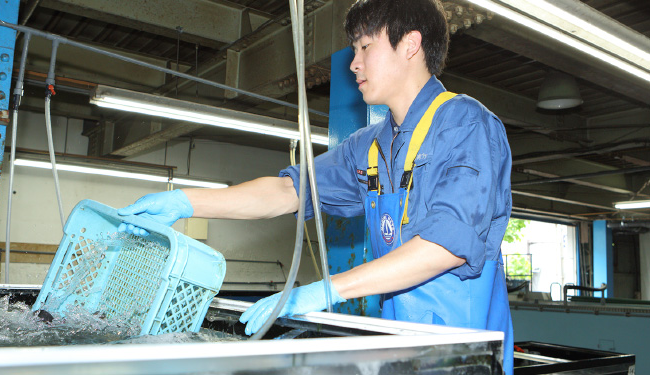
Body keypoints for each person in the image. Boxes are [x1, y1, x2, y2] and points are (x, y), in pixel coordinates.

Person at [118, 0, 514, 373]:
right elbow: (288, 191)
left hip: (467, 354)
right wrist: (185, 201)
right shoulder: (369, 146)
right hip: (399, 348)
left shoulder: (467, 126)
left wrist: (327, 290)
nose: (354, 64)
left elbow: (445, 246)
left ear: (410, 44)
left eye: (364, 47)